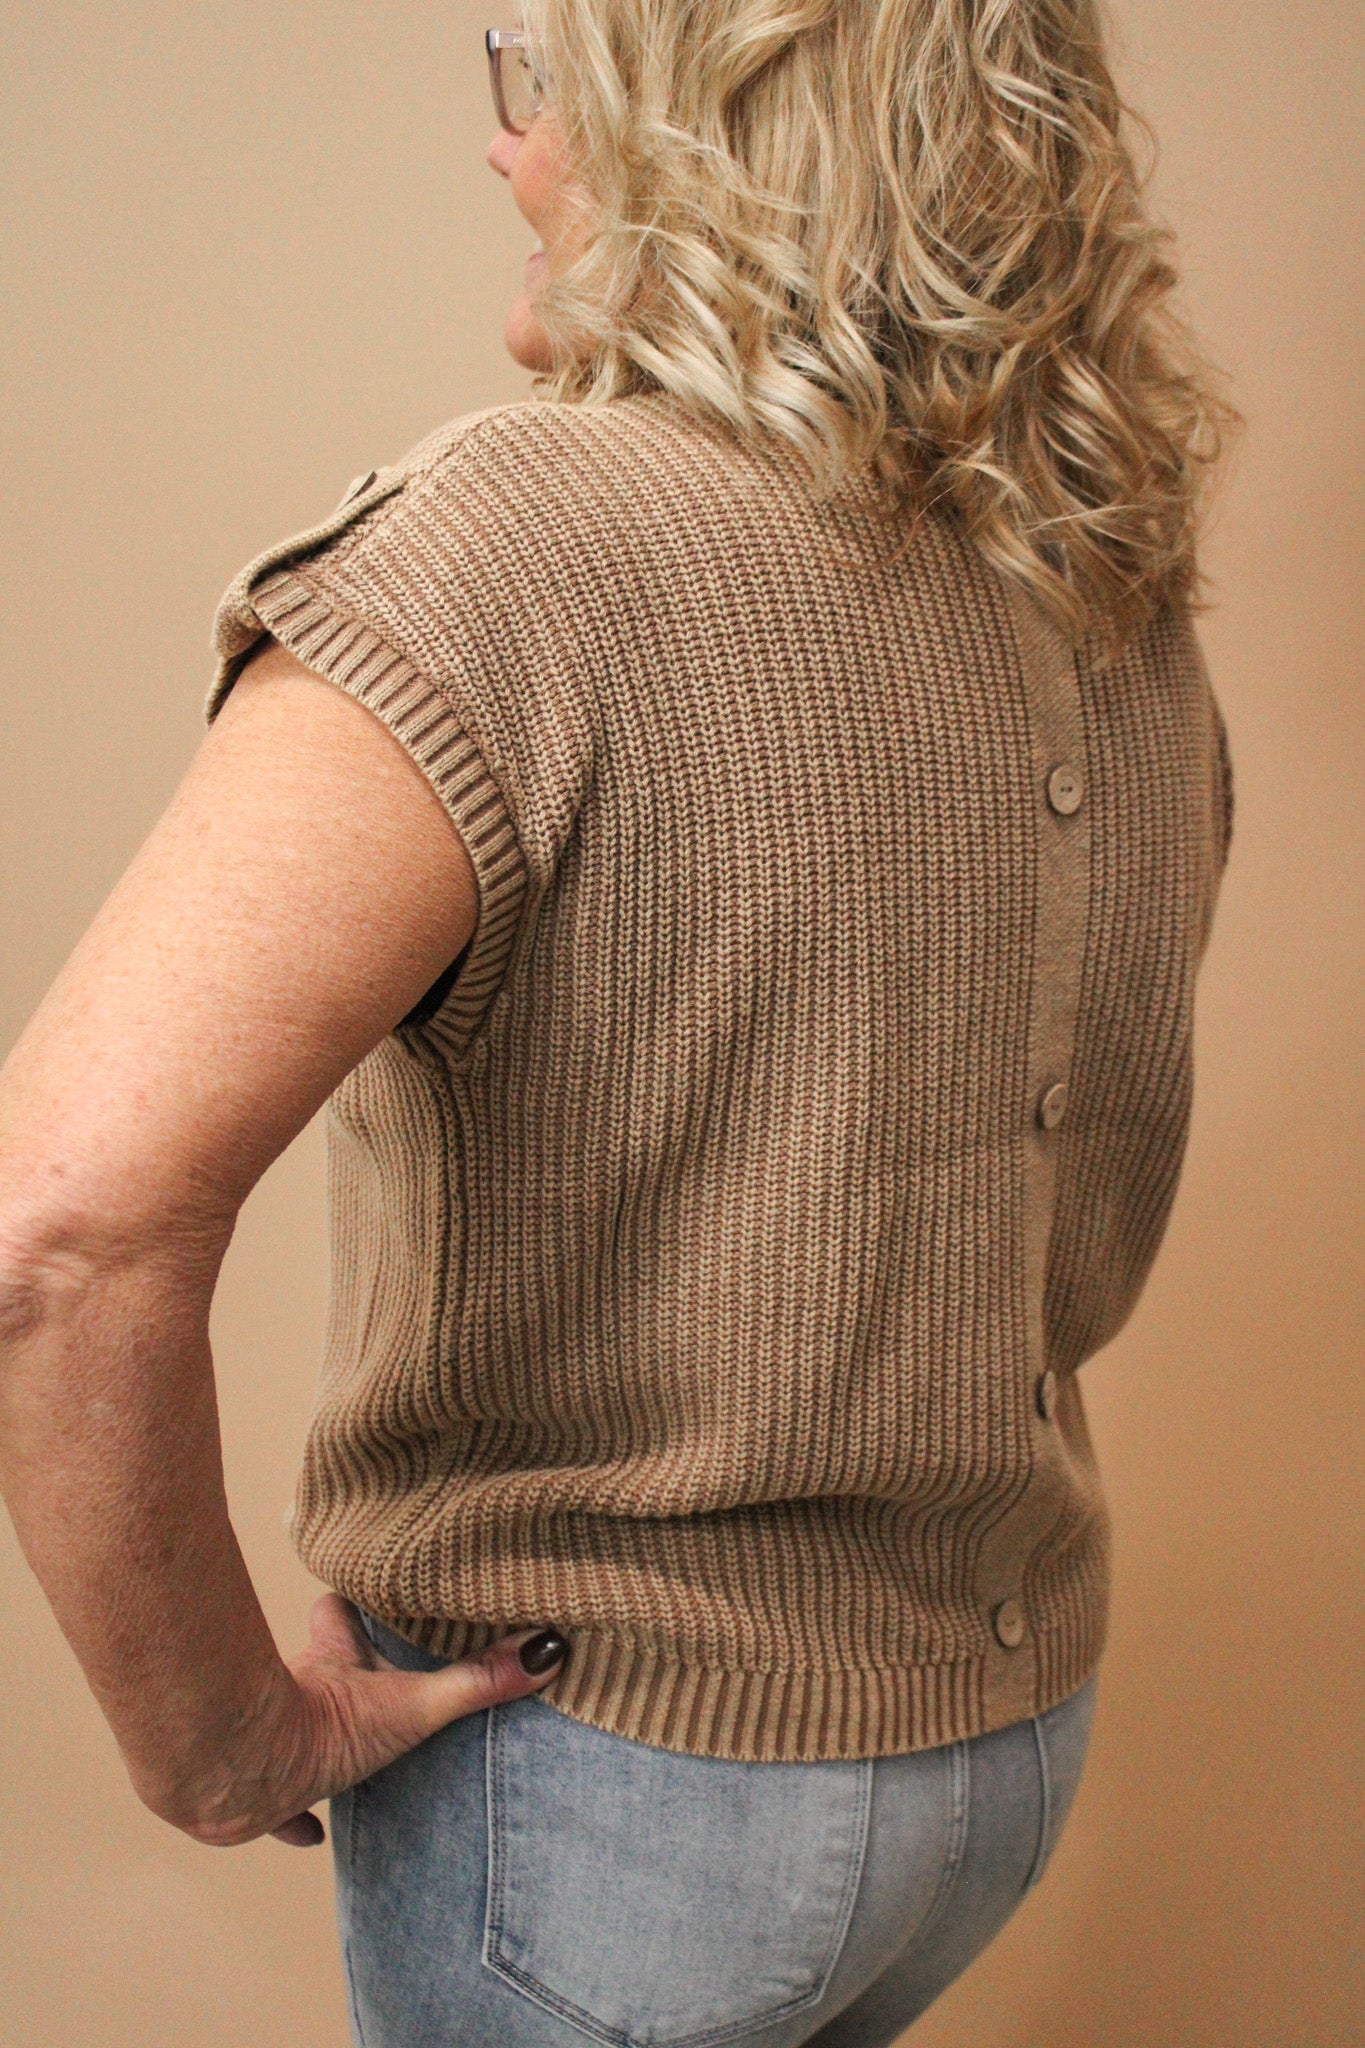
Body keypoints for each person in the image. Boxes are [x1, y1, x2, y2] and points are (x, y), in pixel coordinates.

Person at [0, 3, 1237, 2043]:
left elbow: (58, 1230)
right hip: (996, 1748)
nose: (507, 145)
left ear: (720, 129)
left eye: (552, 75)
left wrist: (214, 1736)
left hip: (617, 1792)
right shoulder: (1094, 583)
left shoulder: (522, 540)